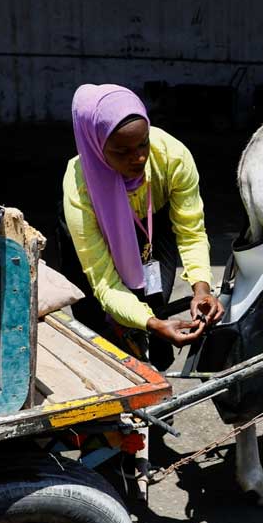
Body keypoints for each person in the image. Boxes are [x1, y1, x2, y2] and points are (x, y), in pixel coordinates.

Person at [60, 84, 224, 371]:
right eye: (121, 151)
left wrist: (202, 287)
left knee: (154, 296)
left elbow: (191, 231)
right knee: (101, 328)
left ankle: (154, 369)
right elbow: (104, 283)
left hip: (151, 226)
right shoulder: (80, 189)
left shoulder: (172, 156)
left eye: (143, 144)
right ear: (97, 147)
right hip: (97, 233)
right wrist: (151, 323)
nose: (137, 158)